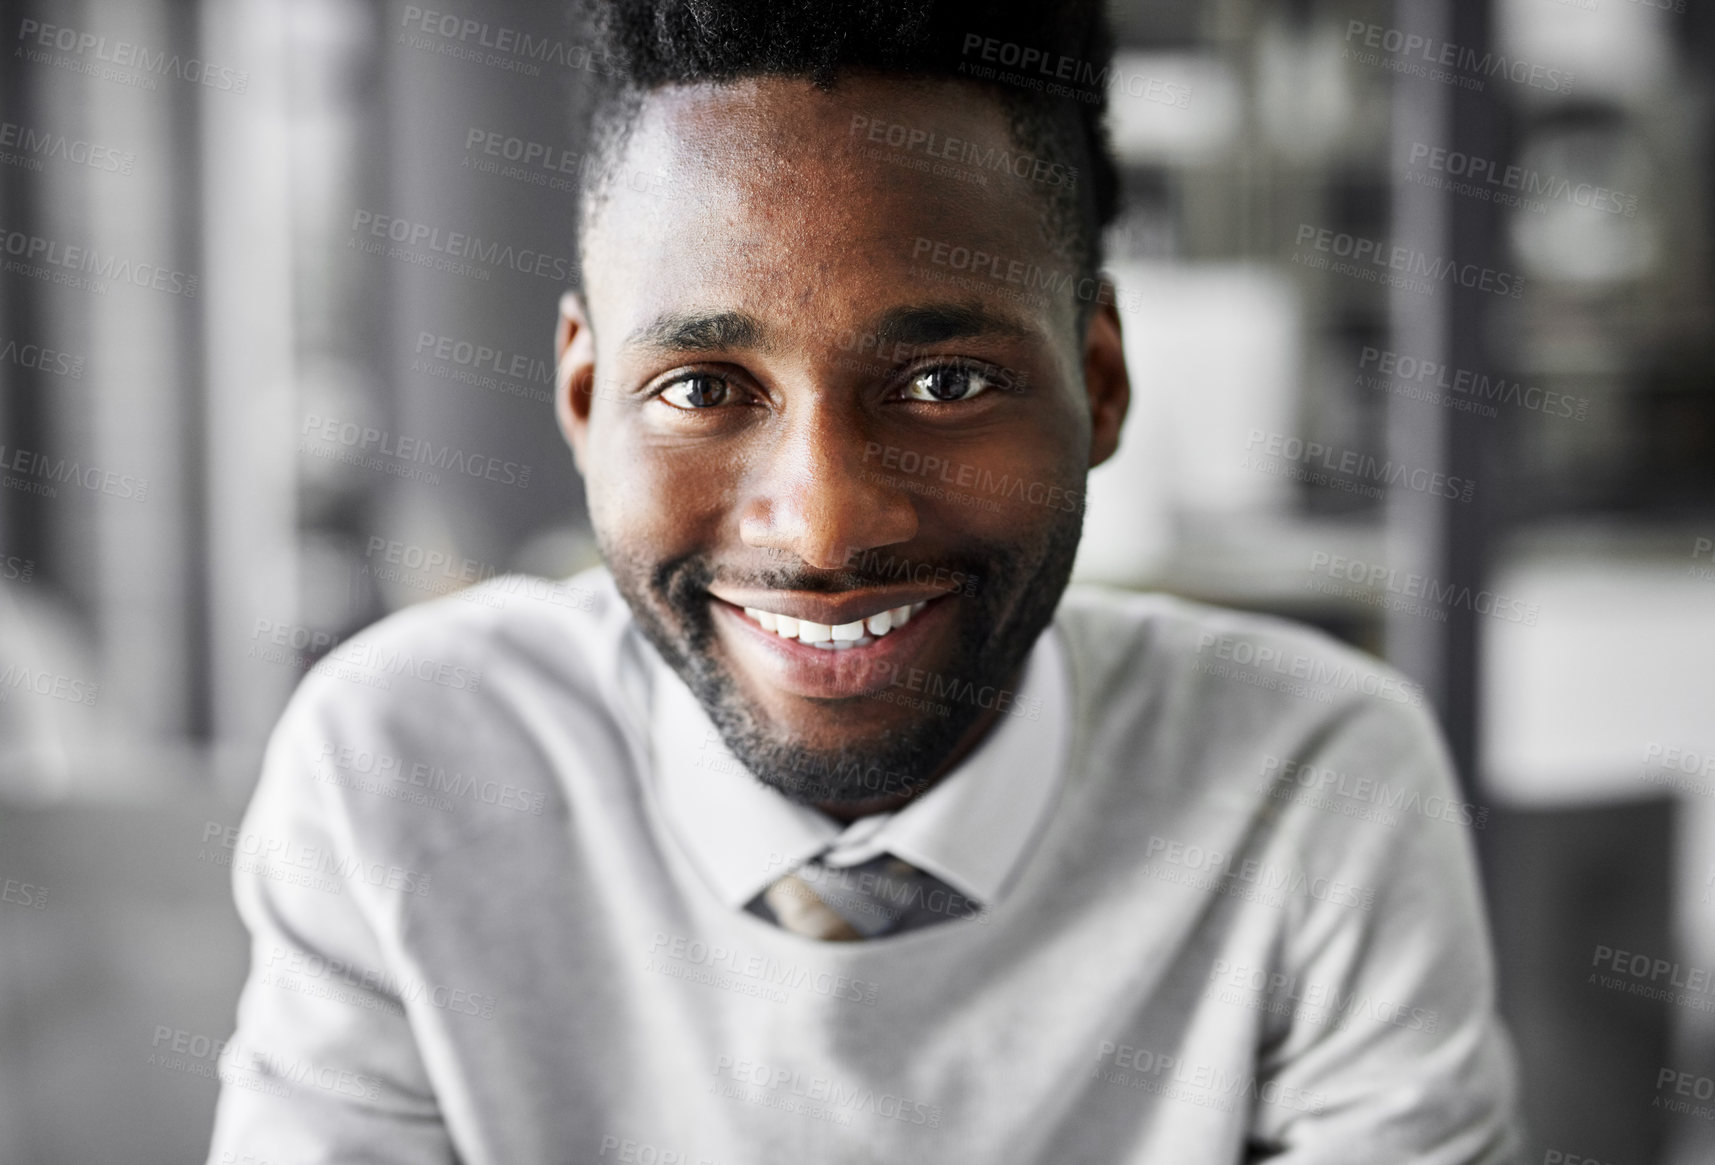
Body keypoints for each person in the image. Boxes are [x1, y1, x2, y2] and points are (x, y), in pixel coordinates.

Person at [207, 1, 1521, 1160]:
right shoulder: (401, 769)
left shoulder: (1309, 787)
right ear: (586, 395)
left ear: (1101, 382)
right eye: (704, 389)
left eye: (946, 383)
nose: (826, 524)